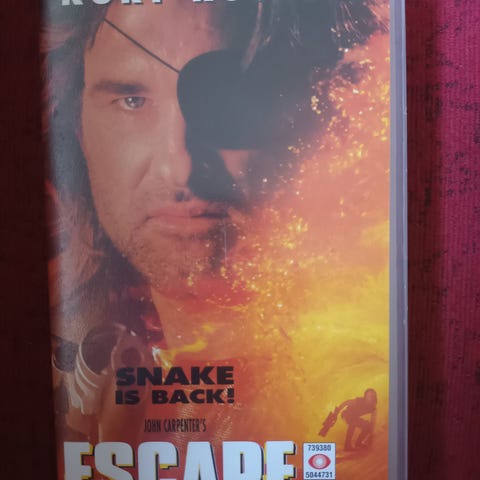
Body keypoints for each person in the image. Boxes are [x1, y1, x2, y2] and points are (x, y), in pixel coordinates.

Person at [44, 0, 385, 447]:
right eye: (131, 100)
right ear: (78, 130)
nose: (179, 167)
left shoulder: (364, 376)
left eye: (225, 100)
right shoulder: (75, 361)